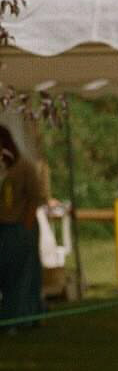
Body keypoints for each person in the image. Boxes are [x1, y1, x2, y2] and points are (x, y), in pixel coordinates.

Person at [0, 125, 45, 331]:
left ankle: (22, 318)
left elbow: (35, 197)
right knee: (7, 275)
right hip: (4, 229)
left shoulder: (24, 166)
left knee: (22, 276)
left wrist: (26, 225)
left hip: (20, 228)